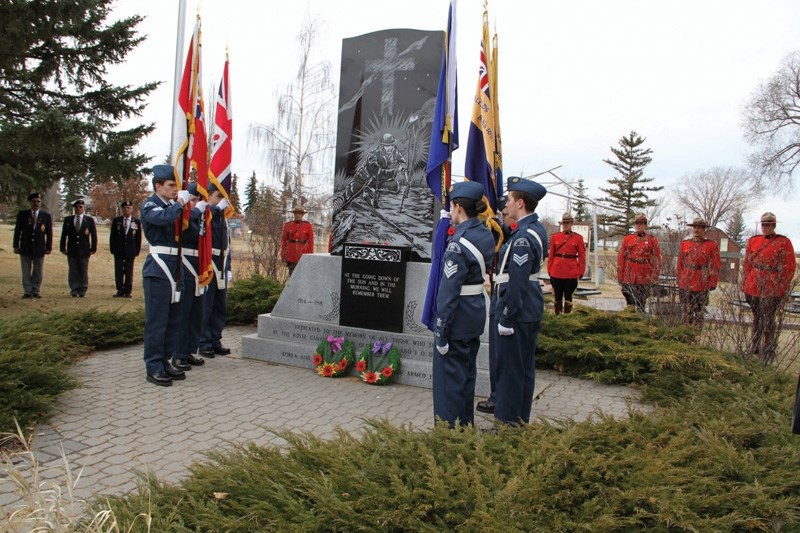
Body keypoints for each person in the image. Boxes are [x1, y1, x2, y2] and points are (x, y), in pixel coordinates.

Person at [432, 181, 495, 427]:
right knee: (467, 378)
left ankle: (449, 435)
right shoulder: (485, 234)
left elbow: (448, 294)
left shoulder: (458, 245)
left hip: (457, 320)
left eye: (452, 207)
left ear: (458, 207)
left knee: (449, 383)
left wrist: (441, 330)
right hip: (475, 314)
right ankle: (465, 426)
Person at [493, 176, 549, 425]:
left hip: (519, 310)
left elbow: (518, 281)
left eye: (510, 199)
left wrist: (508, 314)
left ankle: (507, 425)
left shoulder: (525, 237)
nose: (506, 203)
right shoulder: (532, 229)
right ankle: (518, 420)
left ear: (521, 203)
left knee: (511, 371)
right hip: (528, 309)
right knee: (523, 369)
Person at [140, 164, 191, 386]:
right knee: (157, 320)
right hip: (159, 267)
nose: (175, 190)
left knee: (173, 319)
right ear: (158, 186)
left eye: (176, 186)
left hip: (175, 265)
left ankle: (165, 360)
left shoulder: (172, 206)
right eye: (171, 185)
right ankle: (153, 365)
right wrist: (180, 203)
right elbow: (163, 219)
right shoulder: (150, 205)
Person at [742, 212, 796, 362]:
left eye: (768, 225)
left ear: (774, 225)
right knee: (757, 317)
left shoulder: (783, 242)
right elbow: (747, 263)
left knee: (769, 318)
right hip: (753, 285)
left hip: (772, 285)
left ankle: (769, 348)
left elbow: (789, 266)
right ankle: (754, 345)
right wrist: (745, 281)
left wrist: (781, 285)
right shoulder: (753, 241)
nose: (765, 227)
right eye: (763, 224)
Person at [477, 194, 511, 415]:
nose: (504, 214)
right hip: (500, 290)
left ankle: (501, 398)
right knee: (498, 353)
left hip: (504, 294)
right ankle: (499, 396)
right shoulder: (504, 230)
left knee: (501, 354)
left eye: (505, 212)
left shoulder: (507, 232)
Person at [170, 182, 209, 371]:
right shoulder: (184, 215)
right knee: (183, 312)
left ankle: (189, 350)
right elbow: (182, 224)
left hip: (199, 266)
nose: (196, 204)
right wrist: (195, 211)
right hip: (185, 265)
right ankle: (178, 354)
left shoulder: (202, 217)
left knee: (196, 312)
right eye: (193, 200)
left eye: (199, 201)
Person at [199, 183, 233, 358]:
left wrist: (229, 268)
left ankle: (215, 339)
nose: (222, 200)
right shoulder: (207, 215)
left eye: (223, 197)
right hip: (209, 264)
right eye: (218, 196)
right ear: (209, 197)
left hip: (222, 263)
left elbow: (227, 245)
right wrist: (216, 211)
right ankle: (203, 342)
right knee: (207, 305)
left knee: (219, 307)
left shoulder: (223, 217)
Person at [676, 217, 721, 328]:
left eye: (700, 227)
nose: (697, 230)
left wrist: (712, 282)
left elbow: (716, 266)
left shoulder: (711, 245)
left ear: (704, 229)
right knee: (686, 312)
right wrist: (679, 279)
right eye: (695, 227)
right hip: (686, 281)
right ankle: (685, 336)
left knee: (699, 313)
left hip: (701, 282)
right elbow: (680, 264)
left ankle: (696, 337)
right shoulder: (685, 244)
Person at [617, 212, 662, 313]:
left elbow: (657, 259)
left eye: (641, 223)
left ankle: (641, 322)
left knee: (642, 302)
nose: (638, 225)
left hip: (644, 274)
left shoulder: (652, 240)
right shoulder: (627, 239)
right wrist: (620, 275)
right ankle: (630, 322)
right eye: (636, 223)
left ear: (645, 225)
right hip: (629, 273)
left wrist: (655, 276)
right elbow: (621, 258)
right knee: (629, 301)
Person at [13, 192, 53, 299]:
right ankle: (27, 291)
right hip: (25, 247)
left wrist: (48, 247)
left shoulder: (46, 216)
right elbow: (17, 231)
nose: (36, 203)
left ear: (40, 203)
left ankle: (36, 290)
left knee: (38, 270)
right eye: (34, 201)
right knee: (26, 270)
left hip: (39, 248)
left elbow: (49, 233)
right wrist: (15, 245)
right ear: (30, 203)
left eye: (38, 201)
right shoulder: (23, 215)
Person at [547, 212, 587, 314]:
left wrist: (581, 271)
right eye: (564, 223)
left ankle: (567, 318)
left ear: (571, 224)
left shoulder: (578, 238)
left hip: (571, 272)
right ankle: (558, 317)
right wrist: (550, 270)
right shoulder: (555, 237)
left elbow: (582, 257)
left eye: (568, 223)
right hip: (556, 271)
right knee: (557, 297)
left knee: (568, 297)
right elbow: (551, 255)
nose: (566, 225)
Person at [59, 199, 97, 298]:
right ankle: (74, 289)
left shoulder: (89, 220)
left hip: (84, 250)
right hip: (72, 249)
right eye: (76, 207)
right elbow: (64, 235)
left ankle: (83, 289)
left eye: (81, 207)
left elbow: (94, 235)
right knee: (73, 270)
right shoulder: (68, 220)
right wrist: (62, 247)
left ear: (84, 208)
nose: (78, 208)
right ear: (74, 208)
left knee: (83, 270)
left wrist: (93, 248)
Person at [109, 200, 142, 298]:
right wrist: (112, 249)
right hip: (119, 250)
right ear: (122, 209)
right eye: (124, 208)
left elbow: (138, 237)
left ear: (131, 209)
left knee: (129, 271)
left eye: (128, 208)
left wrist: (137, 250)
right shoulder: (117, 221)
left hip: (130, 250)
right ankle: (119, 290)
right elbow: (112, 236)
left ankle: (127, 291)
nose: (126, 210)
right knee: (118, 271)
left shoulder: (136, 222)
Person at [280, 206, 314, 276]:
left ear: (302, 215)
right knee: (292, 275)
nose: (297, 215)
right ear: (294, 214)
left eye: (299, 214)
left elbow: (311, 242)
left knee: (303, 276)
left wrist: (310, 255)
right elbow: (284, 240)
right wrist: (283, 254)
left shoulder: (308, 226)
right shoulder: (288, 225)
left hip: (303, 254)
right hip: (291, 254)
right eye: (296, 213)